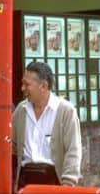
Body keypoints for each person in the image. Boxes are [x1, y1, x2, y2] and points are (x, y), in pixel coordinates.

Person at [12, 61, 82, 190]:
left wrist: (67, 183)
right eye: (23, 83)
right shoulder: (21, 110)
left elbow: (73, 151)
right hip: (25, 179)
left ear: (43, 86)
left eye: (27, 84)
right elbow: (14, 146)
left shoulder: (65, 110)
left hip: (53, 179)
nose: (22, 88)